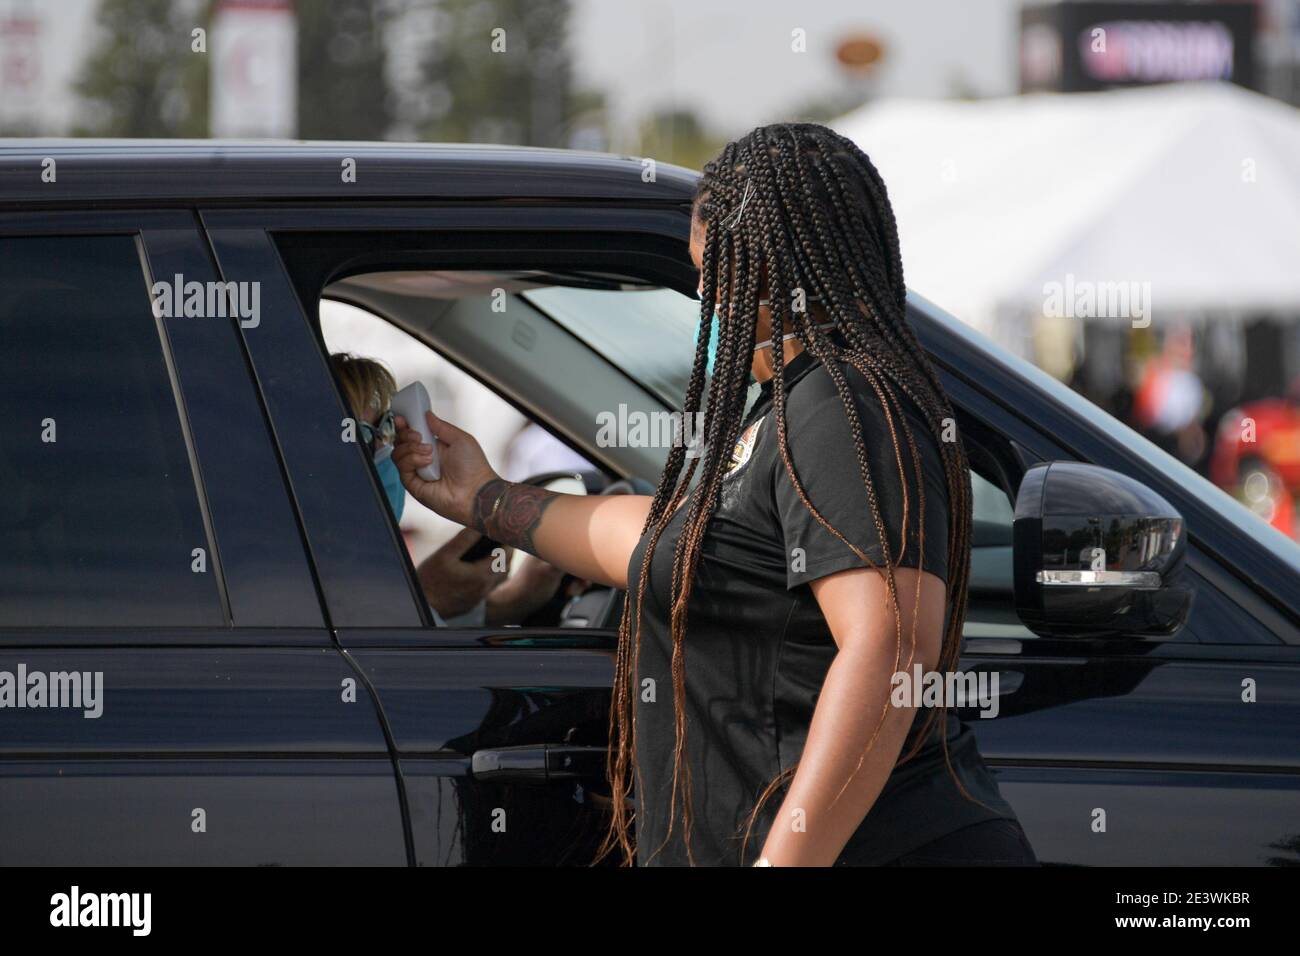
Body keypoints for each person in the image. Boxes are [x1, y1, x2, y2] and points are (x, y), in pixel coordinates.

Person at [391, 123, 1037, 867]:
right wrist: (487, 499)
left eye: (714, 269)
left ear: (770, 265)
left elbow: (890, 645)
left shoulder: (844, 410)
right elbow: (664, 539)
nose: (704, 293)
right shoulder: (789, 407)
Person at [329, 352, 562, 627]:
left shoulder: (349, 564)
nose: (385, 451)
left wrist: (515, 599)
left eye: (387, 428)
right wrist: (426, 598)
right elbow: (374, 651)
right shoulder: (289, 570)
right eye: (362, 435)